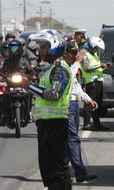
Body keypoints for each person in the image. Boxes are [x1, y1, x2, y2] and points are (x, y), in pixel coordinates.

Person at [24, 29, 72, 190]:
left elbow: (54, 95)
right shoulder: (51, 69)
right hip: (48, 126)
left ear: (55, 46)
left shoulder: (60, 70)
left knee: (55, 172)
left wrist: (29, 86)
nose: (40, 50)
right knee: (53, 170)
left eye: (44, 47)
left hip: (55, 127)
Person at [62, 40, 98, 182]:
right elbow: (68, 78)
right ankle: (79, 173)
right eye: (72, 53)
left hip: (74, 104)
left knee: (71, 139)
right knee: (72, 139)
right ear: (65, 54)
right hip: (67, 105)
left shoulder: (71, 66)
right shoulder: (63, 66)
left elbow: (76, 86)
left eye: (77, 53)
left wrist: (88, 99)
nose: (76, 56)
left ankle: (72, 172)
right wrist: (77, 62)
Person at [81, 36, 110, 130]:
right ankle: (87, 124)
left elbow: (97, 68)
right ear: (91, 46)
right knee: (89, 103)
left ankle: (97, 123)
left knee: (98, 104)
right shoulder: (85, 55)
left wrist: (104, 66)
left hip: (98, 82)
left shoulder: (95, 55)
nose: (97, 50)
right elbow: (86, 68)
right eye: (96, 48)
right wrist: (99, 66)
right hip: (91, 82)